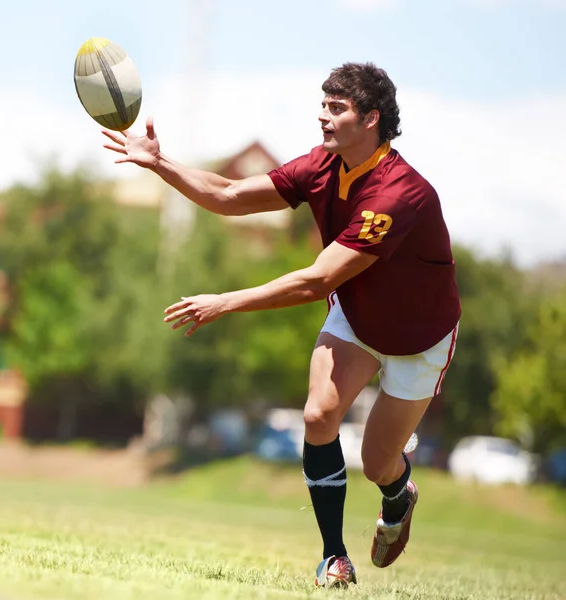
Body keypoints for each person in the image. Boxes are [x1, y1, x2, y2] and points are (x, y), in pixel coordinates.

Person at [101, 62, 461, 587]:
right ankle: (335, 558)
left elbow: (317, 280)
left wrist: (224, 302)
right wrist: (160, 164)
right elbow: (225, 194)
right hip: (358, 319)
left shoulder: (398, 195)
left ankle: (398, 492)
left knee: (377, 462)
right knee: (318, 416)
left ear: (371, 120)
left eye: (336, 108)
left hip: (418, 341)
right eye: (323, 104)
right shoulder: (321, 167)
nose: (322, 117)